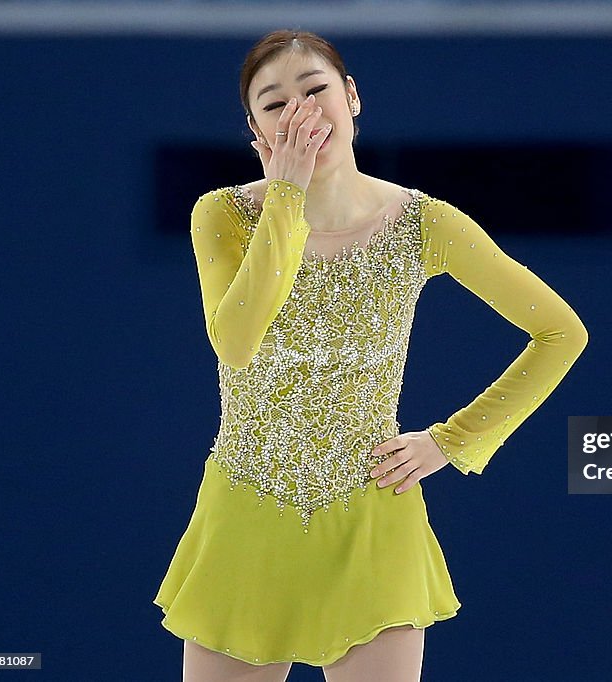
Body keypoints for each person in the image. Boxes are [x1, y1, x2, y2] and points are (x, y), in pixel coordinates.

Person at [152, 29, 588, 682]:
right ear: (255, 128)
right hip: (245, 510)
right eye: (275, 104)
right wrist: (288, 198)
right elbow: (237, 345)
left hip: (371, 516)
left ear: (351, 97)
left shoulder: (423, 223)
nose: (299, 112)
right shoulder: (222, 215)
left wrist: (454, 440)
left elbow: (561, 333)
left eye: (315, 90)